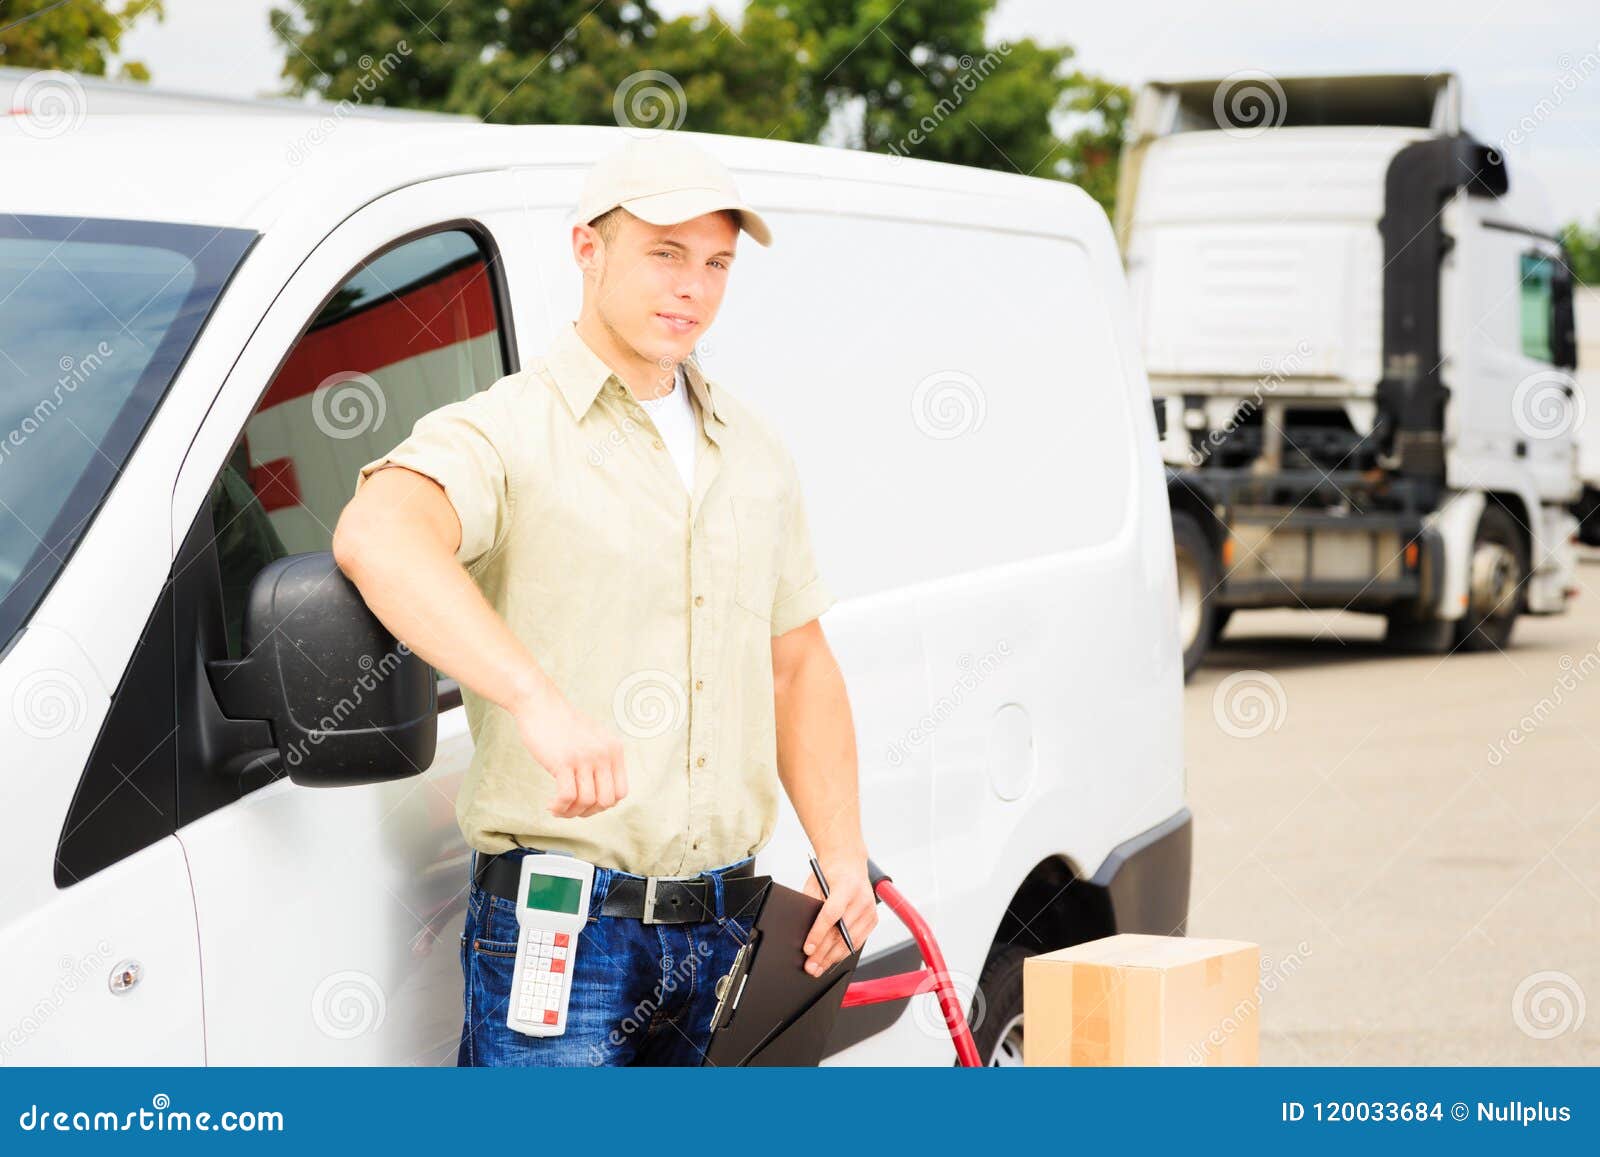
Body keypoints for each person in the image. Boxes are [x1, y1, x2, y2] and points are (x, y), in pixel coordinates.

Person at [332, 131, 878, 1066]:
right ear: (588, 249)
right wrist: (533, 697)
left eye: (716, 263)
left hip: (728, 931)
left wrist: (846, 857)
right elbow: (377, 534)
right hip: (563, 937)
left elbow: (797, 666)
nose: (693, 289)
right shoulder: (507, 429)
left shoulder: (753, 450)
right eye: (665, 253)